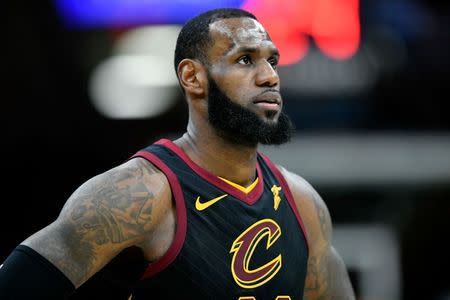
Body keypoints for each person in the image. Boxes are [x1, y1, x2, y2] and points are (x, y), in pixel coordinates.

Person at [0, 7, 355, 300]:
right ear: (193, 77)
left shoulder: (303, 204)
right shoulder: (137, 195)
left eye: (272, 61)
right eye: (245, 60)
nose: (269, 77)